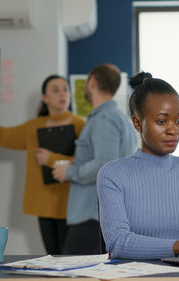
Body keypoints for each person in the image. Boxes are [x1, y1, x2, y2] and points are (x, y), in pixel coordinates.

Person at [97, 72, 179, 259]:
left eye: (178, 121)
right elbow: (118, 242)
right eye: (162, 121)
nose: (173, 130)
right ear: (137, 123)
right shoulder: (112, 174)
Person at [0, 75, 85, 255]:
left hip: (73, 204)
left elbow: (84, 161)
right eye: (55, 90)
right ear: (45, 97)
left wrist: (51, 159)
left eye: (65, 89)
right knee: (53, 259)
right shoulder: (34, 127)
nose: (62, 94)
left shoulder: (80, 125)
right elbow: (0, 135)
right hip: (44, 206)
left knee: (72, 260)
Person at [52, 63, 137, 254]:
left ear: (92, 82)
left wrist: (69, 172)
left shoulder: (104, 119)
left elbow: (103, 165)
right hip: (101, 217)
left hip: (91, 217)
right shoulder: (119, 118)